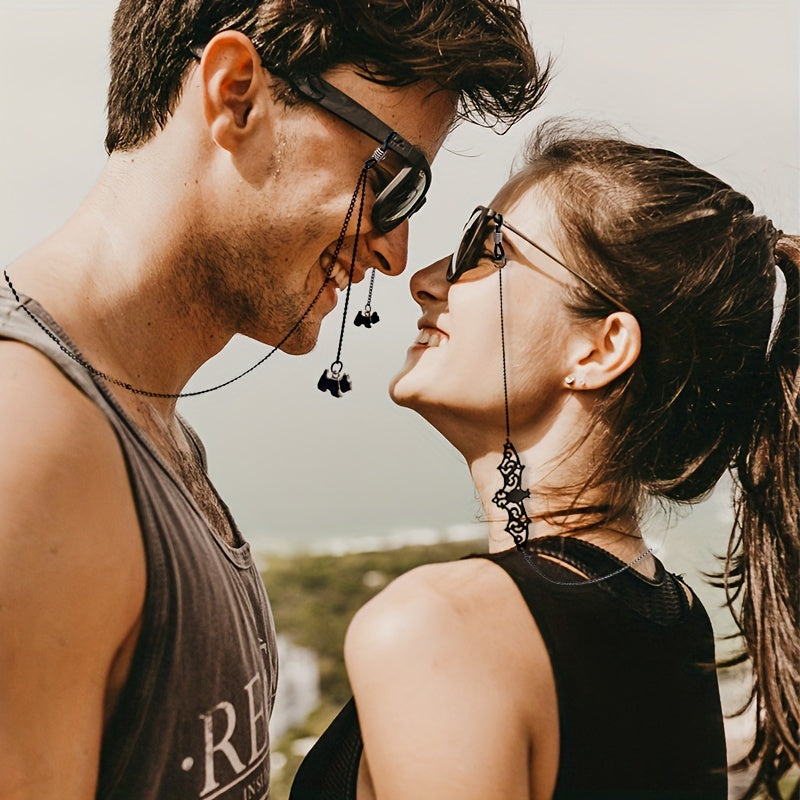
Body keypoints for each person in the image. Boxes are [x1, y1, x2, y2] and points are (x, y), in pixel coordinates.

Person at [0, 1, 549, 798]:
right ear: (236, 95)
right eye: (394, 182)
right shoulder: (32, 443)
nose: (396, 253)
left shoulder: (147, 433)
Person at [290, 125, 800, 800]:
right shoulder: (669, 616)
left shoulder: (440, 630)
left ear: (600, 348)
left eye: (488, 248)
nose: (425, 279)